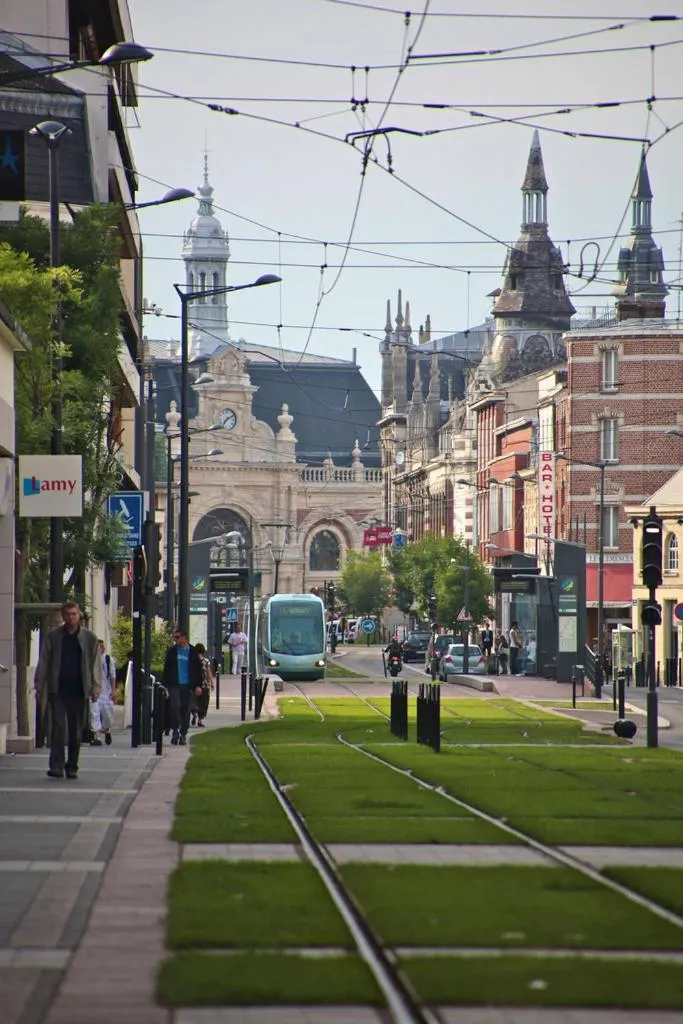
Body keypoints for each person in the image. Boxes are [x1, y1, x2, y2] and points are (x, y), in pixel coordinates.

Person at [34, 600, 102, 780]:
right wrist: (39, 685)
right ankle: (56, 766)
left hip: (79, 690)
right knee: (58, 727)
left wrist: (96, 687)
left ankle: (72, 766)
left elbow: (95, 664)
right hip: (58, 689)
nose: (71, 617)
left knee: (76, 730)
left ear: (79, 615)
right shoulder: (54, 637)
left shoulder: (89, 638)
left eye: (74, 614)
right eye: (68, 614)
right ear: (63, 616)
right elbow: (44, 661)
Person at [161, 627, 203, 746]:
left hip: (188, 686)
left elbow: (198, 670)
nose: (176, 639)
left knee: (185, 709)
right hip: (175, 685)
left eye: (178, 637)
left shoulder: (193, 652)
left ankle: (183, 733)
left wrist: (198, 686)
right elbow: (167, 669)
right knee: (175, 707)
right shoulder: (172, 651)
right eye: (175, 637)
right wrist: (165, 685)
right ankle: (175, 731)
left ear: (184, 638)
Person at [90, 640, 116, 746]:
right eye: (100, 647)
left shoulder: (108, 660)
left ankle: (107, 730)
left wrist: (114, 690)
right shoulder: (90, 660)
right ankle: (96, 736)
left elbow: (113, 675)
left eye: (103, 646)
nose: (103, 648)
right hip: (94, 691)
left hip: (106, 691)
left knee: (107, 714)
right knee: (94, 713)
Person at [191, 642, 214, 728]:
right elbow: (208, 673)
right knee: (203, 702)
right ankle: (200, 720)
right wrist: (212, 683)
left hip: (194, 684)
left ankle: (194, 713)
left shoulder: (192, 661)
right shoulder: (206, 661)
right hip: (204, 685)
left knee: (194, 700)